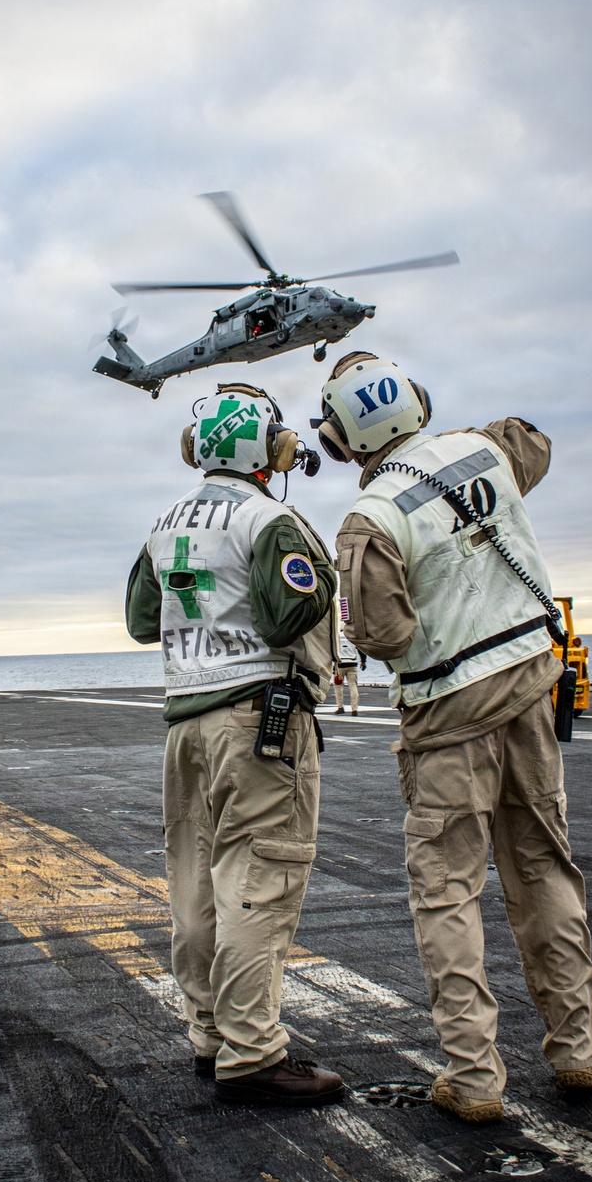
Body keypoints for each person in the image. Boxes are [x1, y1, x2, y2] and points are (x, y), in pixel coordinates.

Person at [317, 352, 592, 1122]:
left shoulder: (370, 518)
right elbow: (532, 441)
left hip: (448, 719)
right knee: (545, 868)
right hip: (530, 692)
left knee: (447, 894)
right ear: (416, 402)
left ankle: (475, 1078)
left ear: (344, 440)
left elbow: (380, 630)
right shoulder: (490, 448)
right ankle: (577, 1050)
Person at [126, 384, 345, 1108]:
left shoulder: (164, 522)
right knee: (258, 881)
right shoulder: (268, 515)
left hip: (184, 720)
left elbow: (139, 618)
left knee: (193, 882)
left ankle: (211, 1035)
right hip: (258, 719)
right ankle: (253, 1053)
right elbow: (290, 616)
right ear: (269, 451)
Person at [330, 627, 360, 715]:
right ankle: (354, 709)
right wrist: (363, 661)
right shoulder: (353, 636)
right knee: (353, 686)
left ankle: (340, 707)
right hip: (352, 663)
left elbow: (332, 649)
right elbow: (361, 648)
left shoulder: (337, 636)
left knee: (338, 686)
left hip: (340, 663)